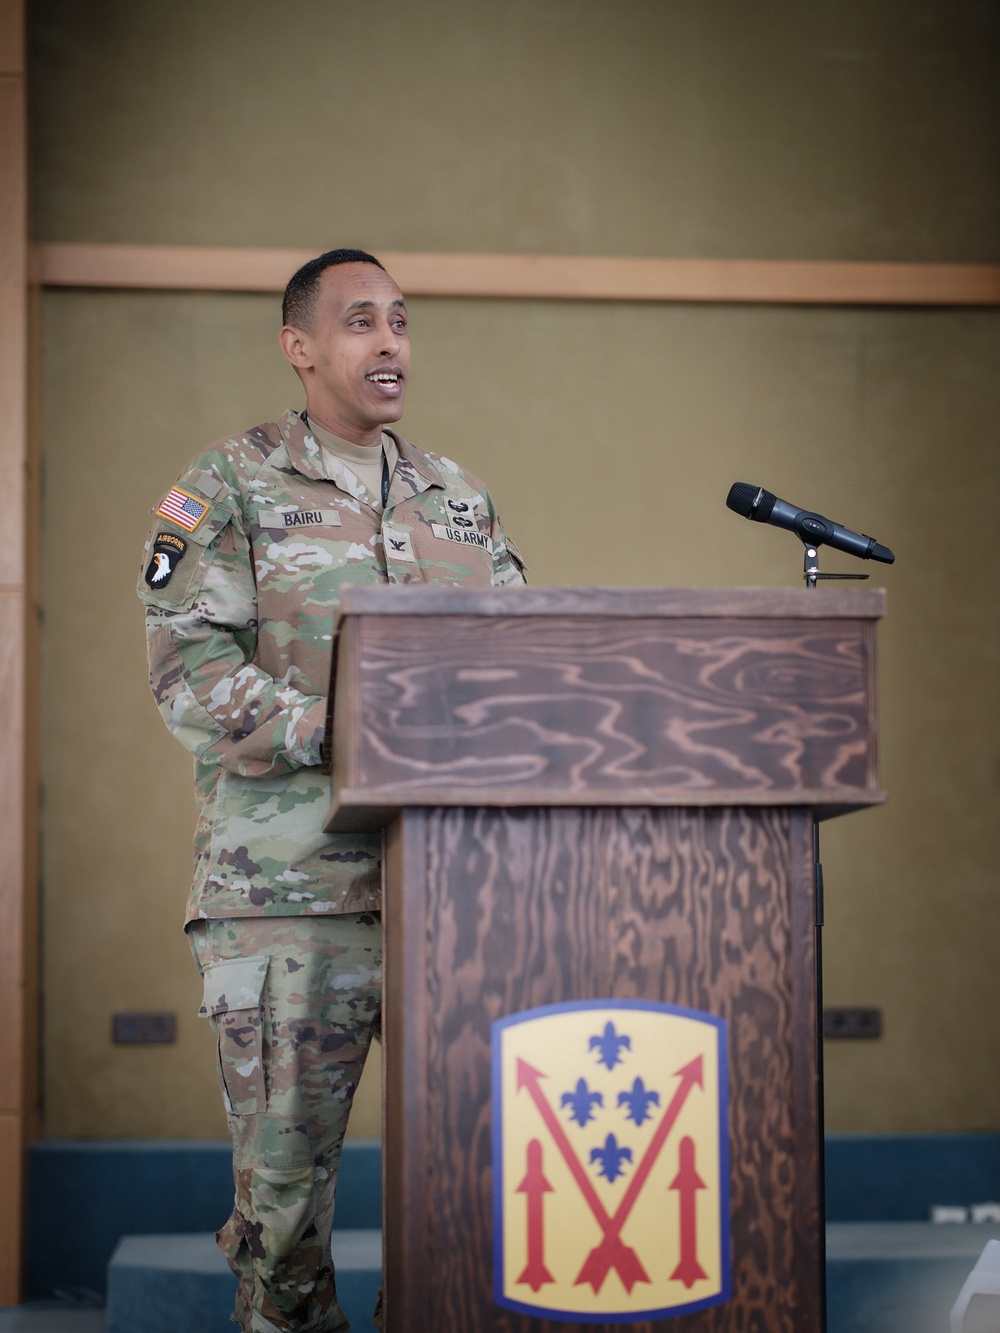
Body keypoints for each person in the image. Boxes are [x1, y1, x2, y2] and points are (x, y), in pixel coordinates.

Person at [137, 248, 526, 1333]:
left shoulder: (456, 498)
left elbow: (527, 658)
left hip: (452, 901)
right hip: (289, 897)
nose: (391, 341)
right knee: (285, 1212)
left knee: (464, 1196)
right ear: (299, 347)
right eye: (361, 321)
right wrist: (348, 733)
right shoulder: (229, 483)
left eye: (401, 320)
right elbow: (190, 671)